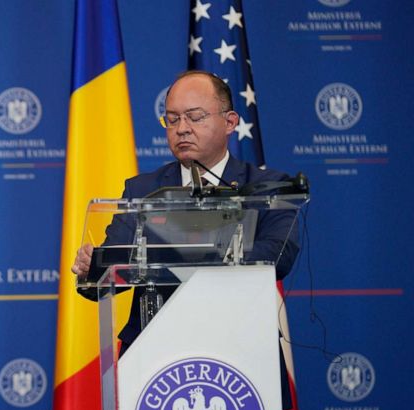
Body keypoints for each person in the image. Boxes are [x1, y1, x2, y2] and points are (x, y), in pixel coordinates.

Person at [72, 70, 299, 359]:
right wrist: (92, 267)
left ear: (230, 122)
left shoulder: (267, 189)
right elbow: (106, 276)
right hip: (152, 354)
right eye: (173, 118)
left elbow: (278, 256)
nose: (182, 128)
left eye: (195, 116)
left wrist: (172, 254)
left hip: (243, 349)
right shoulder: (142, 189)